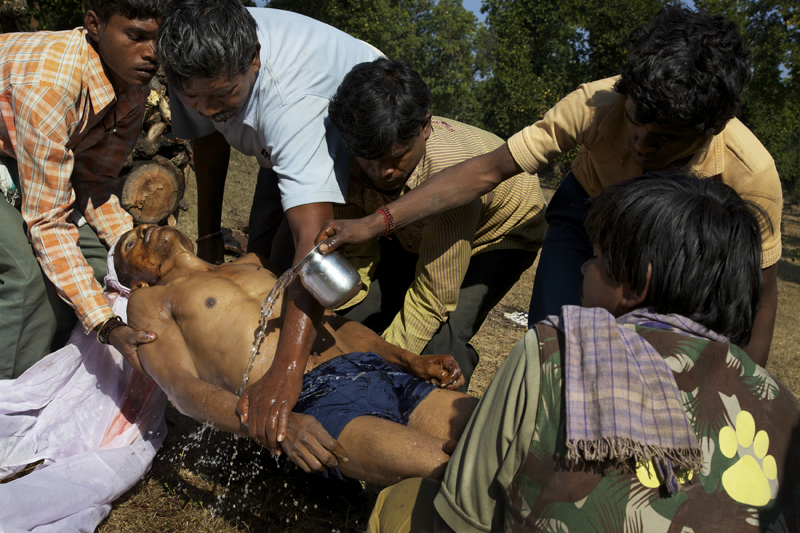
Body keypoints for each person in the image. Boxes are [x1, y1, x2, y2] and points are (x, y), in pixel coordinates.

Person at [316, 4, 783, 367]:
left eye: (666, 139)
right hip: (585, 215)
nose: (641, 141)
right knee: (552, 341)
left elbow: (758, 296)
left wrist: (748, 391)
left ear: (710, 127)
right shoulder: (596, 104)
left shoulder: (751, 173)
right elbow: (487, 171)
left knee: (655, 355)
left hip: (670, 250)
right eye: (637, 121)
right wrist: (377, 224)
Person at [366, 173, 800, 533]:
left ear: (635, 285)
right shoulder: (782, 407)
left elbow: (460, 519)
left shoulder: (556, 349)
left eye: (595, 258)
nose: (583, 268)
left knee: (404, 502)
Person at [156, 0, 382, 451]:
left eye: (221, 96)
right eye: (192, 98)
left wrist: (285, 374)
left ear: (254, 59)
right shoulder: (197, 63)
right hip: (275, 147)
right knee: (260, 267)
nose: (207, 108)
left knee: (308, 282)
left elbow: (315, 248)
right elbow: (206, 135)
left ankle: (336, 396)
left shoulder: (290, 103)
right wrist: (208, 240)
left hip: (365, 144)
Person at [114, 224, 479, 484]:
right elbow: (182, 390)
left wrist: (406, 359)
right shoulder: (152, 299)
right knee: (458, 473)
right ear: (136, 281)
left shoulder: (254, 261)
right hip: (313, 401)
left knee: (500, 434)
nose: (142, 230)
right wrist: (275, 424)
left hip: (370, 368)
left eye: (143, 226)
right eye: (130, 245)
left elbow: (335, 324)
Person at [327, 58, 546, 389]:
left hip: (499, 234)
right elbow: (359, 250)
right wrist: (341, 309)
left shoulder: (452, 182)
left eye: (394, 158)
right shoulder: (349, 150)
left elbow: (433, 295)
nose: (380, 172)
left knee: (438, 348)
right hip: (414, 232)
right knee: (354, 318)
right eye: (368, 160)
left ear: (425, 127)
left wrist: (377, 362)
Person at [0, 0, 165, 379]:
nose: (152, 54)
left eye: (160, 39)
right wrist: (107, 325)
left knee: (103, 268)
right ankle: (11, 404)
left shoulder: (133, 88)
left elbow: (93, 180)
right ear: (94, 24)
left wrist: (133, 254)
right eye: (137, 36)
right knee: (26, 282)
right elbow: (48, 222)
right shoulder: (51, 85)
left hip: (19, 154)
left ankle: (54, 376)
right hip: (16, 152)